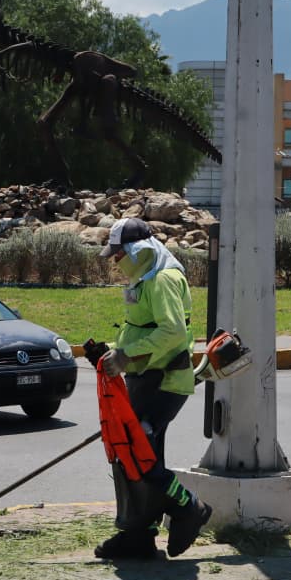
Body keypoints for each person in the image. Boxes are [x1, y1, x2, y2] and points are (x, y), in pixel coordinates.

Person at [86, 217, 212, 560]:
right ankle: (138, 535)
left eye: (119, 254)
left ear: (137, 250)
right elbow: (142, 330)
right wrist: (114, 351)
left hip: (164, 381)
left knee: (138, 456)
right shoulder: (145, 278)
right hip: (146, 377)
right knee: (132, 457)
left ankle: (190, 507)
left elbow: (172, 332)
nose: (116, 261)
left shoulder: (162, 279)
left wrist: (125, 355)